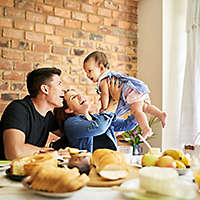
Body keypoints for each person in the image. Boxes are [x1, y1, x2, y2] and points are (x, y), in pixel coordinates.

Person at [83, 51, 167, 139]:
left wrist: (104, 108)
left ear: (101, 68)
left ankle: (146, 128)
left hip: (130, 92)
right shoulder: (109, 76)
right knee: (144, 107)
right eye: (86, 72)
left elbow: (105, 95)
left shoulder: (103, 80)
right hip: (135, 90)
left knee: (136, 110)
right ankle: (160, 114)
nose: (88, 75)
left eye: (89, 71)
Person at [55, 78, 138, 152]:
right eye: (73, 97)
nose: (80, 95)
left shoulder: (98, 117)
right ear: (69, 110)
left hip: (111, 162)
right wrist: (114, 100)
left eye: (78, 93)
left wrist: (138, 108)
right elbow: (99, 127)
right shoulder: (71, 124)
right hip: (91, 166)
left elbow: (127, 124)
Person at [0, 67, 66, 160]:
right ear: (45, 89)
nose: (64, 89)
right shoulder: (18, 109)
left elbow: (68, 135)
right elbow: (14, 152)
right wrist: (50, 152)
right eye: (59, 84)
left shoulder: (48, 116)